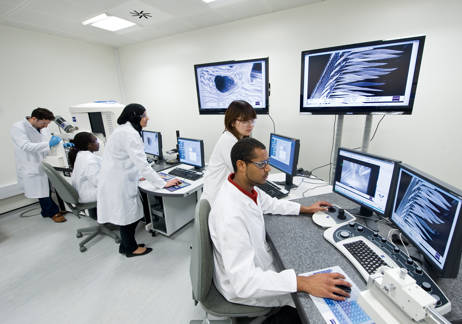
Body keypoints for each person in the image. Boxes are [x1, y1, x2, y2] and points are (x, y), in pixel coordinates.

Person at [209, 138, 351, 323]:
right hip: (244, 287)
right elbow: (243, 283)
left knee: (311, 271)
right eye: (262, 164)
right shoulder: (229, 214)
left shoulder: (246, 188)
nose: (268, 169)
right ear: (241, 165)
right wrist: (303, 283)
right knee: (319, 299)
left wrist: (304, 209)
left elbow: (271, 203)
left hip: (257, 266)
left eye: (267, 163)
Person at [96, 103, 181, 258]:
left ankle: (125, 246)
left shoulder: (122, 130)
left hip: (116, 177)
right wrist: (163, 183)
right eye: (144, 116)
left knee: (127, 216)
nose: (147, 118)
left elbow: (128, 159)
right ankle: (130, 249)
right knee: (128, 217)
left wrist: (139, 174)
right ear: (136, 117)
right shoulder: (129, 134)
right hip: (119, 182)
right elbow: (142, 164)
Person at [10, 108, 66, 223]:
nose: (46, 126)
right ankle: (52, 212)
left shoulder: (42, 127)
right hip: (31, 164)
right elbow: (26, 146)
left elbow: (49, 139)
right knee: (42, 190)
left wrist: (62, 144)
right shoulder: (18, 127)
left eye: (47, 124)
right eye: (44, 123)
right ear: (34, 119)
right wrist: (48, 144)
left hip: (45, 161)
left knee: (47, 188)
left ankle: (47, 211)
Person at [201, 100, 256, 207]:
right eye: (245, 121)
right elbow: (244, 175)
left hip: (224, 194)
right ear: (232, 122)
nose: (250, 125)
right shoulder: (228, 141)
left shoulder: (235, 139)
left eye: (252, 120)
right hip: (217, 200)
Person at [68, 132, 101, 205]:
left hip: (83, 192)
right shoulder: (90, 160)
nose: (98, 143)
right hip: (89, 196)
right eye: (95, 141)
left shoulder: (81, 155)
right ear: (89, 145)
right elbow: (98, 182)